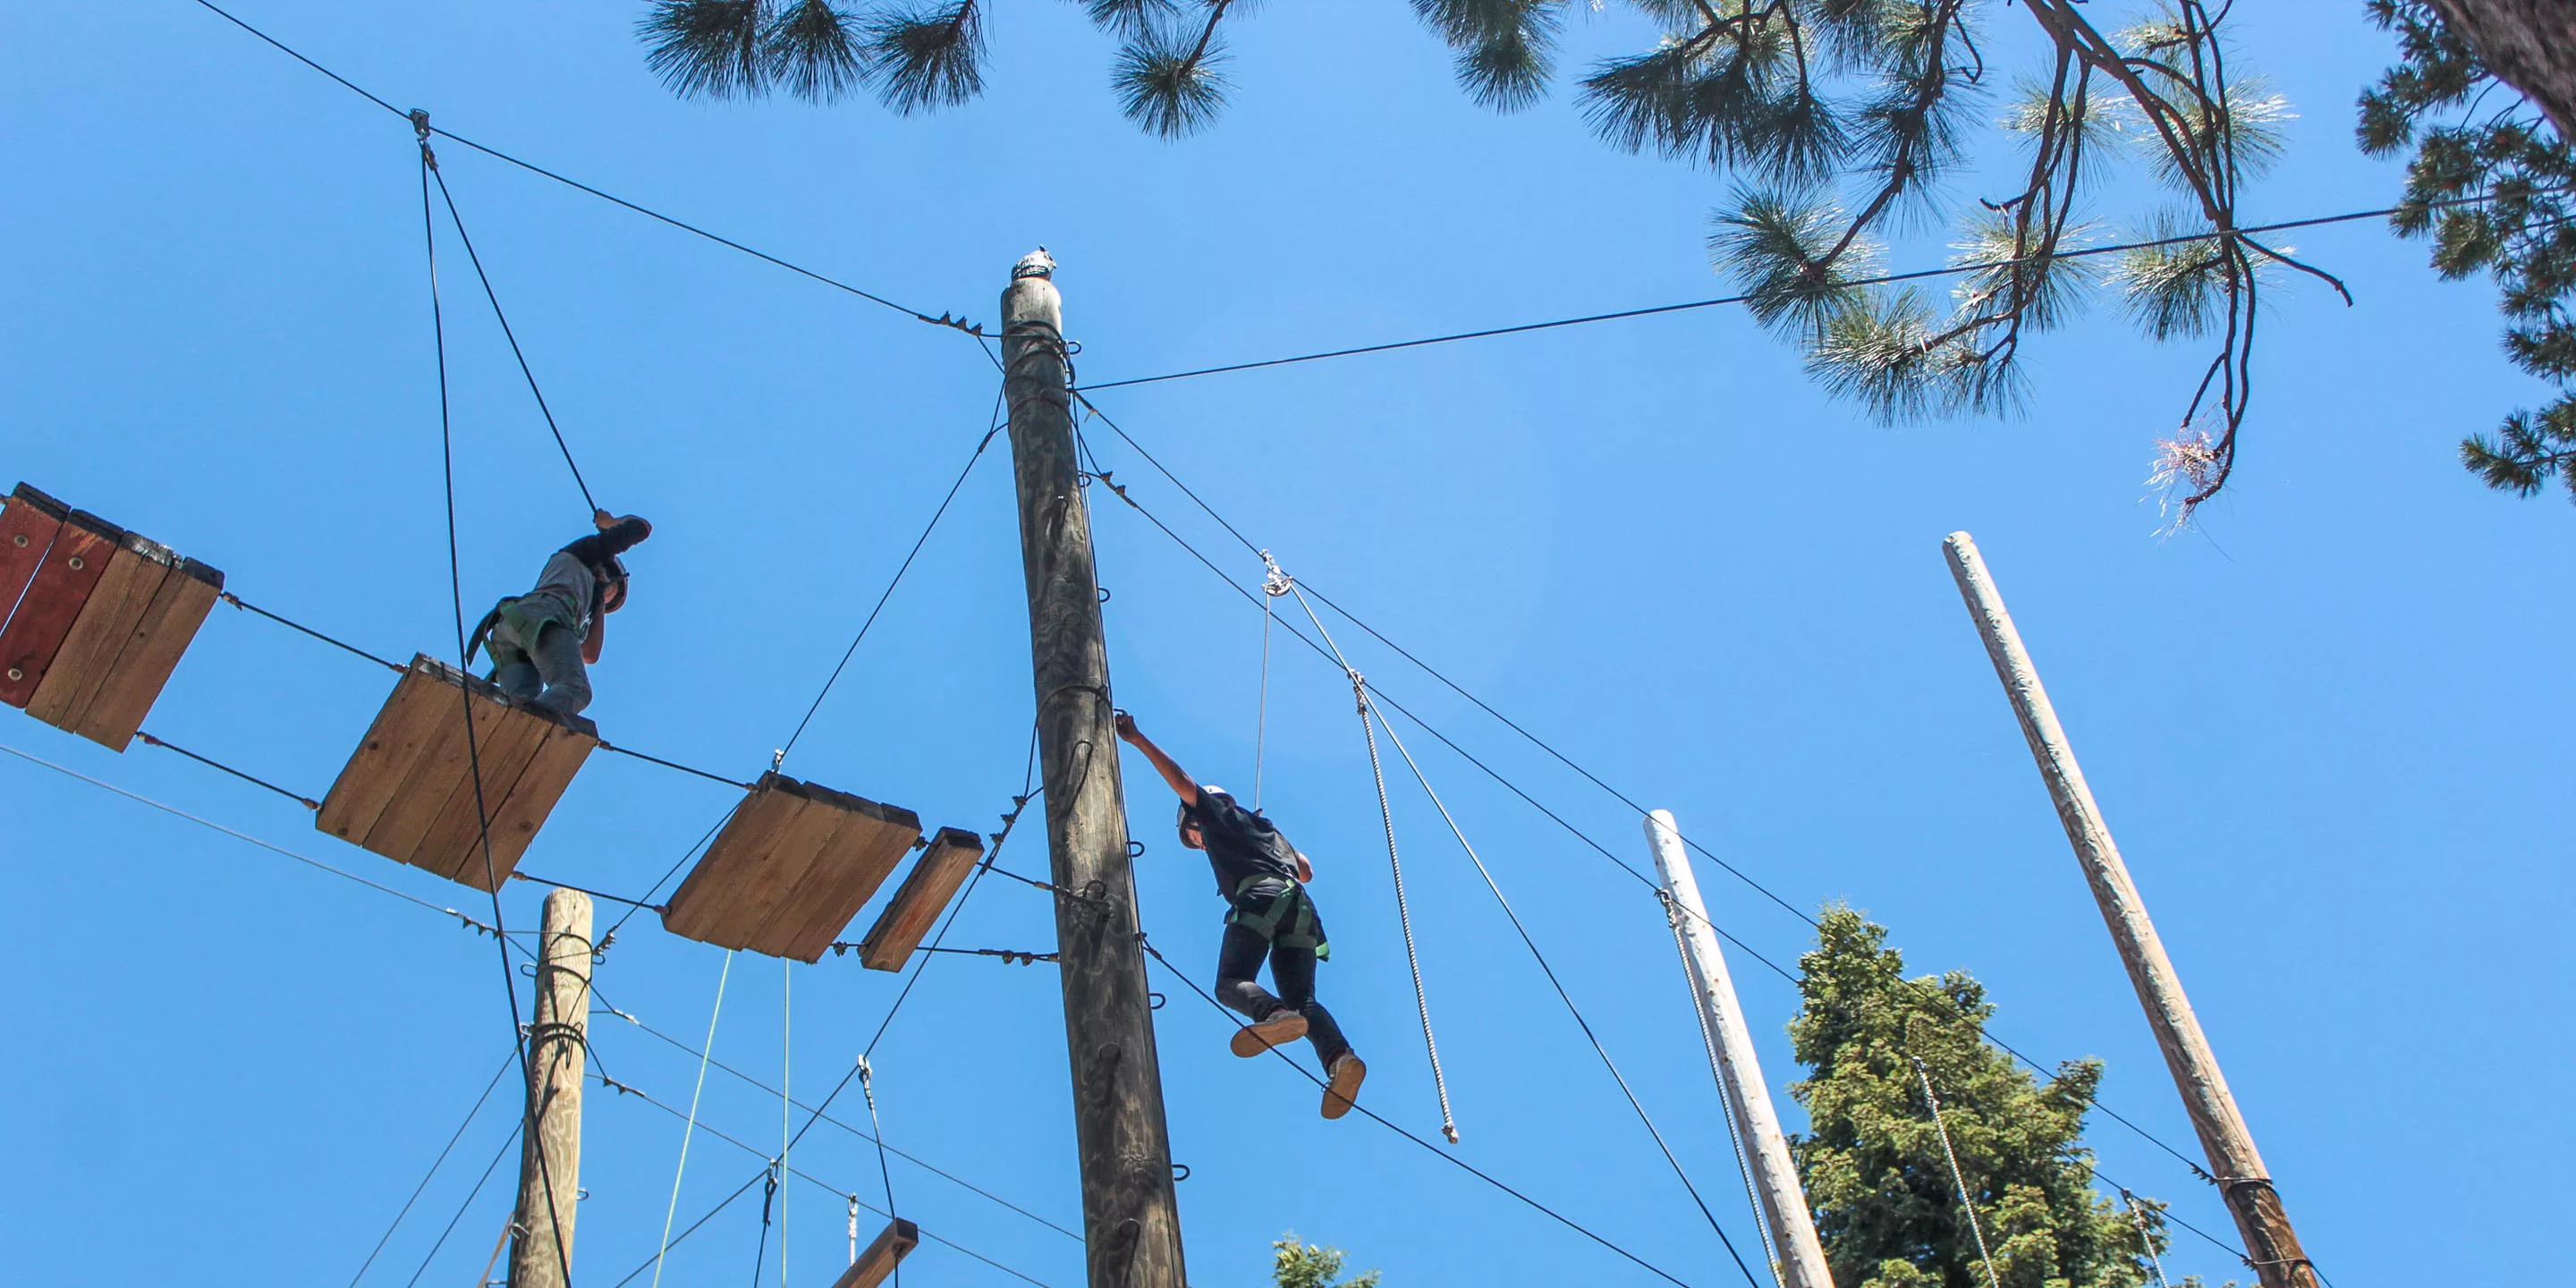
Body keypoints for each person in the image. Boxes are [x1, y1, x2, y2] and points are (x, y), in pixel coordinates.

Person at [1113, 709, 1367, 1120]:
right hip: (1300, 907)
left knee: (1230, 983)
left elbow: (1181, 782)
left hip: (1260, 898)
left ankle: (1274, 1015)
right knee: (1304, 1000)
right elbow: (1305, 870)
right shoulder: (1267, 829)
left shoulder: (1216, 815)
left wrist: (1138, 739)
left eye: (1192, 835)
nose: (1197, 843)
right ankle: (1340, 1059)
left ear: (1197, 822)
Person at [467, 509, 652, 734]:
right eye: (612, 594)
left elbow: (590, 654)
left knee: (524, 703)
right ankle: (521, 733)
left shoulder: (581, 610)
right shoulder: (589, 553)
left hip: (514, 628)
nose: (606, 598)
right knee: (576, 689)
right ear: (611, 573)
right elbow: (640, 528)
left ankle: (508, 736)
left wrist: (599, 606)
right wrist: (610, 523)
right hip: (542, 617)